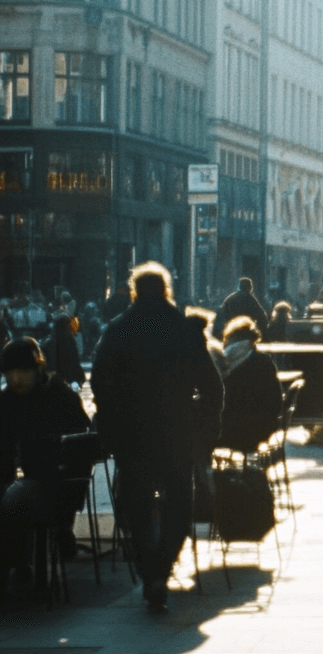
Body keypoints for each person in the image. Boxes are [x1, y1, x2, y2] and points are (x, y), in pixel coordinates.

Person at [91, 262, 223, 613]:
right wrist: (204, 430)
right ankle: (162, 570)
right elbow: (212, 387)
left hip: (132, 434)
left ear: (134, 291)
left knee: (136, 506)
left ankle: (150, 571)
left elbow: (99, 380)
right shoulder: (184, 329)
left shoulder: (118, 329)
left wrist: (111, 421)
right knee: (179, 504)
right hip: (177, 431)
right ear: (167, 290)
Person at [0, 338, 91, 593]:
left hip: (58, 483)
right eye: (9, 374)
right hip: (29, 481)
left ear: (36, 370)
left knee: (12, 503)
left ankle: (18, 563)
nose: (15, 379)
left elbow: (81, 446)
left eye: (21, 372)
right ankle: (20, 561)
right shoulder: (7, 400)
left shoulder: (60, 396)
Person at [217, 317, 282, 454]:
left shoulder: (228, 361)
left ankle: (204, 473)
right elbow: (276, 401)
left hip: (238, 430)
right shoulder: (265, 361)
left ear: (231, 338)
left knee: (198, 431)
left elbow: (225, 397)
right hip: (263, 428)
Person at [40, 312, 85, 388]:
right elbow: (75, 362)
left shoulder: (49, 342)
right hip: (69, 379)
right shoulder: (71, 341)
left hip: (54, 379)